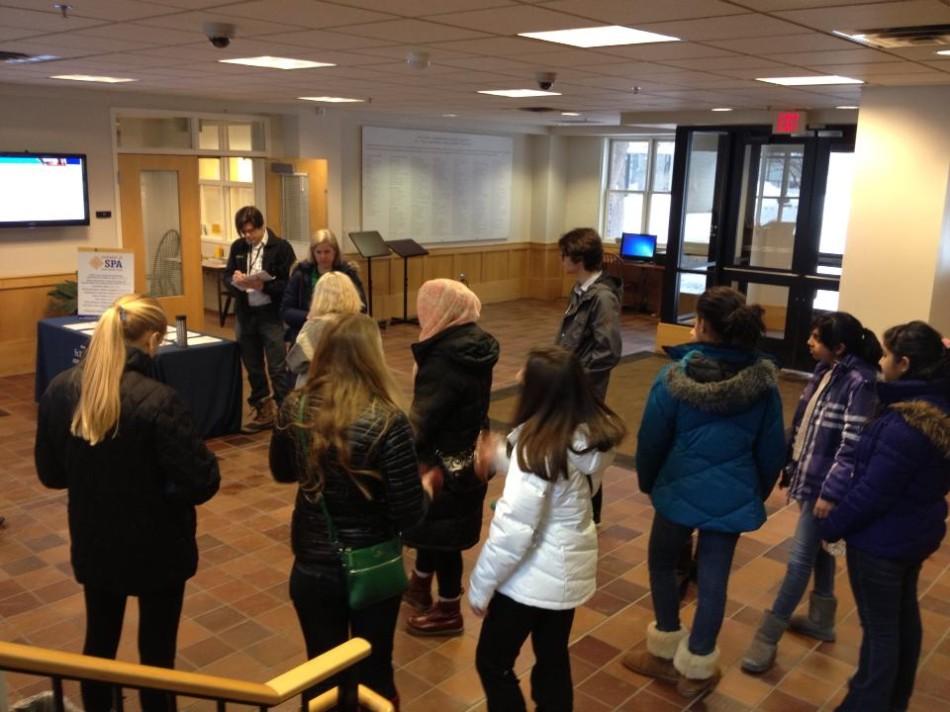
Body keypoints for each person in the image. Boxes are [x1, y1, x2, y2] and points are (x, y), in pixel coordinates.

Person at [34, 294, 220, 712]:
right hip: (158, 548)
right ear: (152, 339)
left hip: (95, 540)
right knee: (157, 658)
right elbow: (200, 482)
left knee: (99, 644)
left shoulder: (61, 391)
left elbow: (50, 475)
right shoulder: (159, 400)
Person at [623, 286, 785, 700]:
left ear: (703, 328)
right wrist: (756, 491)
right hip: (732, 494)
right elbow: (771, 450)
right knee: (714, 580)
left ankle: (663, 647)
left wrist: (650, 482)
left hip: (676, 487)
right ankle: (696, 668)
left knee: (662, 563)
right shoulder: (765, 386)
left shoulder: (673, 377)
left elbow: (652, 439)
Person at [269, 314, 432, 708]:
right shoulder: (389, 421)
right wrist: (425, 488)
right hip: (372, 566)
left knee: (322, 673)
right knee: (374, 670)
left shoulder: (295, 406)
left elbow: (281, 471)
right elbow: (410, 516)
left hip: (312, 566)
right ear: (371, 357)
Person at [469, 346, 626, 712]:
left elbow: (513, 532)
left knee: (492, 662)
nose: (517, 379)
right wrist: (505, 457)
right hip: (568, 572)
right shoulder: (587, 439)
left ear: (541, 391)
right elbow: (561, 481)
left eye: (525, 374)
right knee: (553, 658)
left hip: (530, 580)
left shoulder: (536, 450)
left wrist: (480, 586)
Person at [820, 321, 949, 712]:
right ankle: (894, 701)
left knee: (880, 636)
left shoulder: (903, 425)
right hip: (911, 535)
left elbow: (873, 493)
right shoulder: (937, 407)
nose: (884, 362)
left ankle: (867, 703)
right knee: (902, 623)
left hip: (881, 542)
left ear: (905, 363)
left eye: (889, 356)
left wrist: (833, 526)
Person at [742, 312, 881, 674]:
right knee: (819, 550)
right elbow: (805, 424)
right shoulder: (826, 371)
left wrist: (831, 492)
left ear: (839, 347)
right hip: (812, 476)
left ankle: (767, 637)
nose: (809, 342)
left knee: (799, 560)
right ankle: (821, 619)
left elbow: (852, 445)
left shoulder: (860, 382)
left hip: (826, 485)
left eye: (816, 338)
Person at [402, 279, 500, 636]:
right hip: (466, 456)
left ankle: (447, 609)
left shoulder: (444, 357)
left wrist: (400, 449)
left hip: (442, 463)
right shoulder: (473, 345)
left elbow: (425, 418)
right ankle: (419, 584)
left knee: (443, 538)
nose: (419, 314)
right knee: (437, 530)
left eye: (424, 307)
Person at [555, 227, 621, 524]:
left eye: (564, 255)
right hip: (568, 385)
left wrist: (574, 376)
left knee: (586, 451)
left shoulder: (602, 297)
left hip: (585, 390)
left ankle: (592, 517)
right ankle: (574, 508)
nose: (561, 261)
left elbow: (608, 352)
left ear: (578, 259)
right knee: (570, 447)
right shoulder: (580, 290)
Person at [225, 205, 296, 432]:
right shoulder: (238, 247)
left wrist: (263, 285)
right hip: (246, 314)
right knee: (252, 365)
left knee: (277, 365)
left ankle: (285, 412)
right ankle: (263, 410)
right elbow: (227, 275)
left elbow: (288, 285)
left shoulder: (281, 247)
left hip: (271, 314)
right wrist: (236, 280)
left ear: (261, 226)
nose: (247, 236)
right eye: (243, 232)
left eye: (251, 231)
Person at [280, 228, 366, 343]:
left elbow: (362, 308)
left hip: (341, 335)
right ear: (312, 253)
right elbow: (286, 311)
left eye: (327, 252)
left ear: (335, 252)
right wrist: (308, 316)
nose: (323, 257)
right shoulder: (301, 273)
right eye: (318, 252)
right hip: (308, 335)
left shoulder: (348, 272)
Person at [284, 272, 363, 389]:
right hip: (353, 387)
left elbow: (296, 363)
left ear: (319, 296)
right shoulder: (361, 323)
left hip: (319, 390)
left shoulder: (314, 326)